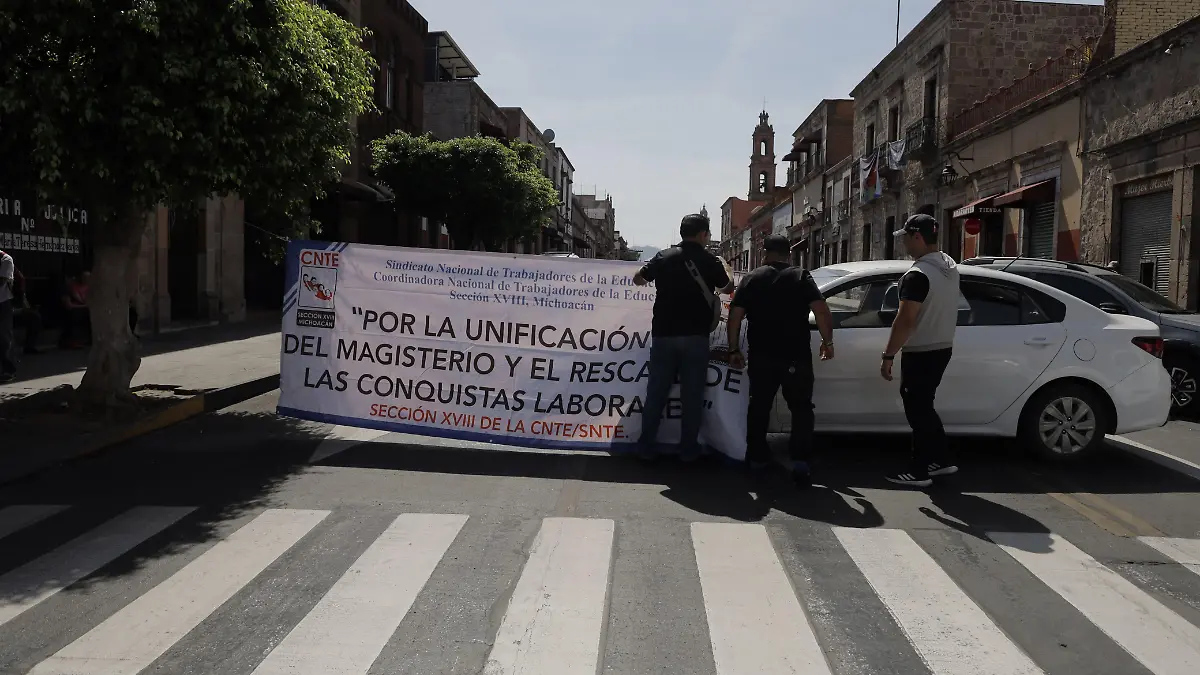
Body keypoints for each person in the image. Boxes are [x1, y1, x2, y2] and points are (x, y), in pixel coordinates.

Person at [727, 234, 834, 486]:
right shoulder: (800, 276)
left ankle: (757, 458)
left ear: (765, 252)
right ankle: (800, 461)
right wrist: (827, 341)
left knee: (759, 406)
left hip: (762, 354)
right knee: (801, 408)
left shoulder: (752, 278)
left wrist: (734, 349)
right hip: (795, 354)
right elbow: (820, 309)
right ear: (789, 253)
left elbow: (735, 315)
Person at [633, 213, 735, 462]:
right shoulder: (710, 260)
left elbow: (638, 279)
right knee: (692, 395)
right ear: (702, 235)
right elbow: (728, 288)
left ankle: (646, 447)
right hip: (696, 337)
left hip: (664, 335)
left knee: (657, 392)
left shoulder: (664, 257)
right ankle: (688, 450)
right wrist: (727, 268)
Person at [881, 214, 961, 487]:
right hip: (942, 347)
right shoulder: (948, 266)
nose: (903, 242)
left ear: (917, 237)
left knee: (917, 411)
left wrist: (888, 355)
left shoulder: (917, 275)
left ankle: (919, 471)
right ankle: (940, 460)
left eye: (905, 236)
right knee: (925, 407)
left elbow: (905, 320)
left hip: (922, 350)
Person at [0, 249, 15, 382]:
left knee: (4, 336)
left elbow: (2, 281)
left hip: (3, 302)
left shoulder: (6, 260)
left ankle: (8, 369)